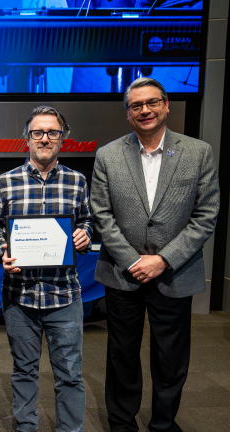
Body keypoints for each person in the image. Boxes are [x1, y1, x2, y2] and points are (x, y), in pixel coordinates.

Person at [91, 77, 220, 432]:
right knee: (121, 354)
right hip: (123, 273)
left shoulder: (198, 152)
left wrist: (163, 260)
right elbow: (101, 214)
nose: (144, 110)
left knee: (171, 358)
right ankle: (121, 423)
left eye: (151, 102)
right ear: (127, 113)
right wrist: (133, 261)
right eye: (136, 105)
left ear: (166, 105)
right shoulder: (108, 155)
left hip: (175, 272)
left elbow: (206, 214)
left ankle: (164, 423)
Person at [0, 106, 92, 432]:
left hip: (65, 294)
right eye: (38, 132)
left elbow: (87, 221)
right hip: (20, 296)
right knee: (24, 371)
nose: (45, 138)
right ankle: (26, 428)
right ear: (27, 138)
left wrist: (84, 234)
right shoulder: (5, 183)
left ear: (62, 138)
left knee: (70, 375)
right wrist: (1, 251)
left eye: (52, 132)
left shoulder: (77, 181)